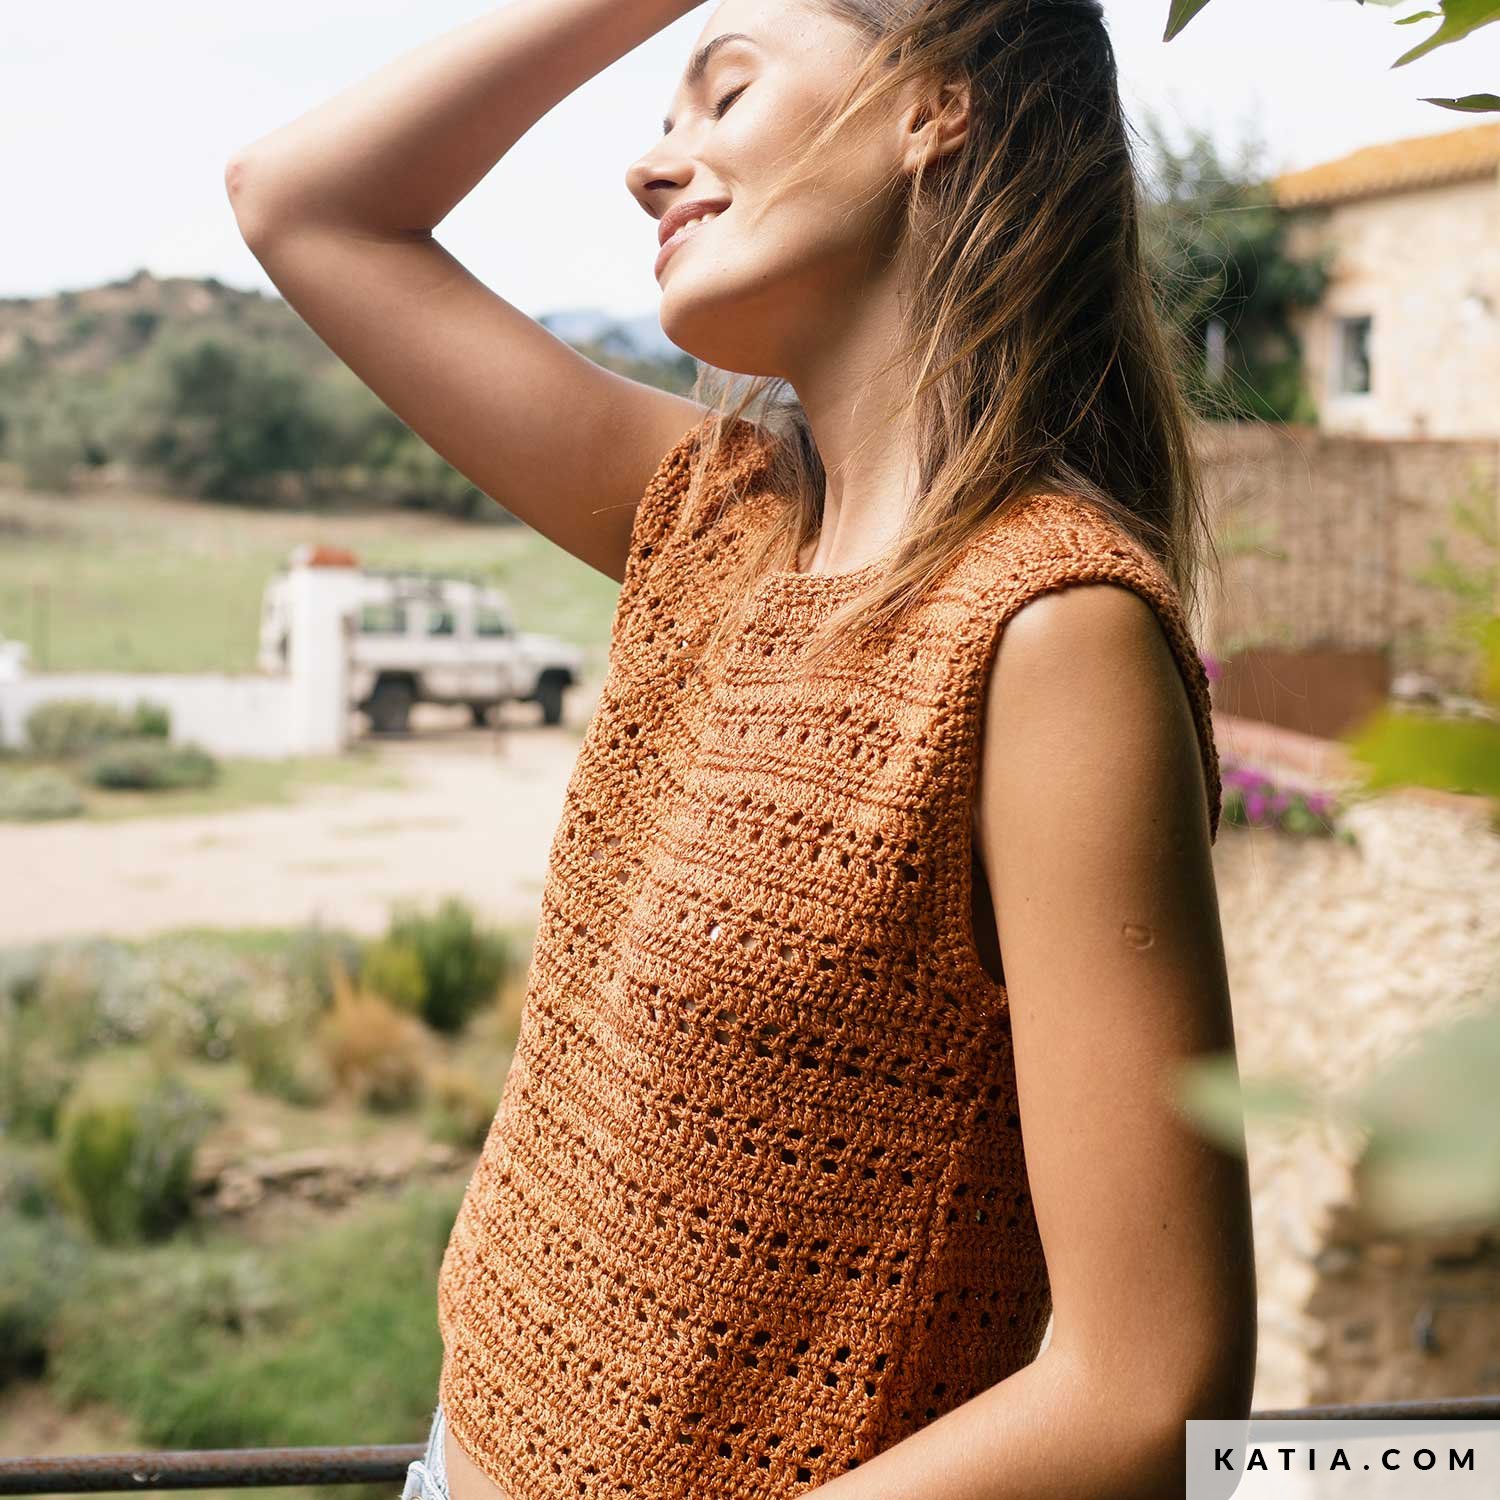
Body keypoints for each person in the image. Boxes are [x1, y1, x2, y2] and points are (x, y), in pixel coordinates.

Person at [227, 0, 1258, 1495]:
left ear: (932, 108)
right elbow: (298, 201)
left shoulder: (1049, 631)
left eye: (723, 94)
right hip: (460, 1450)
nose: (652, 166)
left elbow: (1155, 1386)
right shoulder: (715, 521)